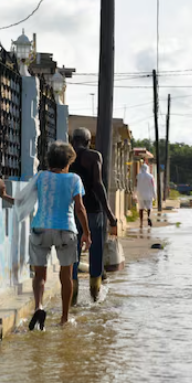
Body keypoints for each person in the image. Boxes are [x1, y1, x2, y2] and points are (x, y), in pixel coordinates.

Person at [0, 142, 91, 328]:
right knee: (66, 275)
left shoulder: (41, 177)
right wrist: (86, 234)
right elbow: (80, 208)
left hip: (40, 229)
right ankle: (64, 319)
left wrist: (3, 194)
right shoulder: (74, 179)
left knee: (39, 275)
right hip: (66, 231)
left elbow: (22, 200)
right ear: (68, 162)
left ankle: (39, 307)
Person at [69, 127, 118, 302]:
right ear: (88, 142)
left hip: (74, 209)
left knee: (73, 251)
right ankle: (94, 293)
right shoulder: (93, 156)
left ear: (72, 140)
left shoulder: (66, 157)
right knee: (95, 249)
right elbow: (98, 184)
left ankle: (72, 296)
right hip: (94, 210)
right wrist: (110, 213)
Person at [136, 163, 156, 228]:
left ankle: (141, 222)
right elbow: (153, 186)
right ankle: (148, 217)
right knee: (149, 208)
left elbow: (136, 185)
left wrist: (135, 194)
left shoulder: (138, 176)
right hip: (148, 195)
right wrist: (154, 195)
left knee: (141, 208)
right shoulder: (150, 177)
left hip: (140, 195)